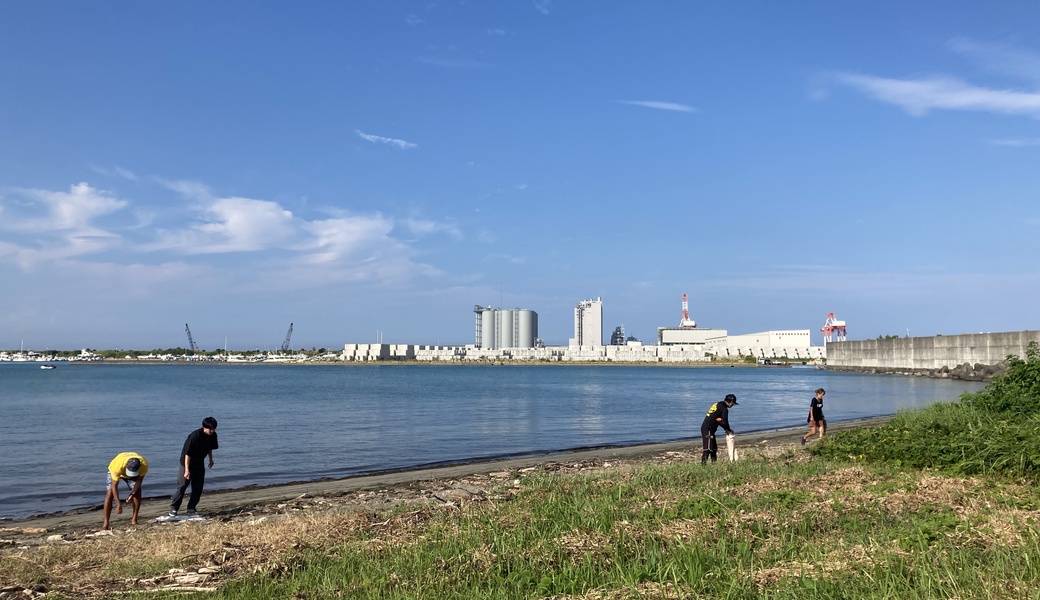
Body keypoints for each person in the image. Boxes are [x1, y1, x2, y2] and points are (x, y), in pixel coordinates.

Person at [168, 416, 219, 517]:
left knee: (198, 487)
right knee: (183, 485)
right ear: (204, 427)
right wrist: (187, 470)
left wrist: (210, 459)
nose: (212, 431)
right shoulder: (194, 436)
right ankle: (174, 508)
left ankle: (191, 508)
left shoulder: (213, 435)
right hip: (186, 463)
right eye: (210, 429)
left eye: (214, 429)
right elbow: (188, 454)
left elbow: (210, 447)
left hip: (199, 462)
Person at [103, 452, 148, 530]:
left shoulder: (144, 464)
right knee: (109, 494)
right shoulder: (117, 466)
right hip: (115, 470)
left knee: (137, 492)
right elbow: (114, 486)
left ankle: (134, 520)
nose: (130, 475)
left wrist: (132, 495)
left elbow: (139, 480)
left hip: (132, 470)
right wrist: (118, 503)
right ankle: (105, 523)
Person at [701, 394, 738, 464]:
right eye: (733, 404)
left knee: (714, 449)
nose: (733, 405)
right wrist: (728, 429)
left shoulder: (718, 404)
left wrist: (726, 429)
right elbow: (725, 421)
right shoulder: (724, 409)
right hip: (707, 429)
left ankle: (714, 464)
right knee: (708, 449)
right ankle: (703, 465)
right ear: (731, 402)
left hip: (710, 430)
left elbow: (719, 420)